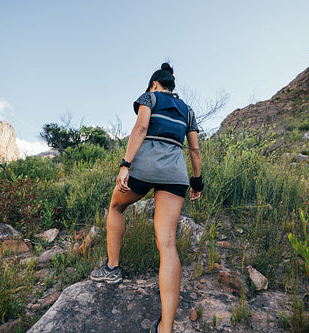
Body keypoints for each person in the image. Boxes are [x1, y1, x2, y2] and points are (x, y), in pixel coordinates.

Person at [90, 62, 204, 333]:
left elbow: (140, 129)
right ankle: (165, 327)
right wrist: (197, 181)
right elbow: (195, 149)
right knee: (167, 244)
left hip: (143, 169)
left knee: (116, 208)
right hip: (175, 175)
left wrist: (125, 164)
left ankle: (113, 268)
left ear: (154, 84)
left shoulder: (149, 98)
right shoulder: (187, 111)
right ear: (172, 86)